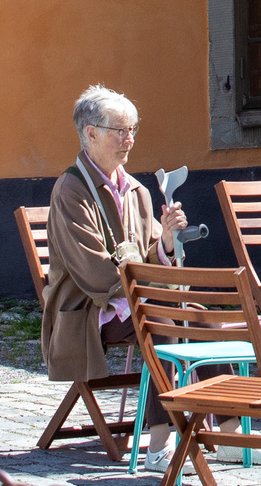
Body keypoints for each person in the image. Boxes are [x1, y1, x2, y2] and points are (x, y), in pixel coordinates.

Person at [41, 86, 188, 412]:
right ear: (90, 134)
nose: (129, 139)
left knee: (207, 322)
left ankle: (229, 430)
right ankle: (161, 437)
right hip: (88, 310)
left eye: (131, 130)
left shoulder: (136, 191)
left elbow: (150, 255)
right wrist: (156, 289)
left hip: (136, 298)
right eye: (119, 131)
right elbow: (96, 274)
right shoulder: (70, 190)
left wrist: (165, 241)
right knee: (163, 321)